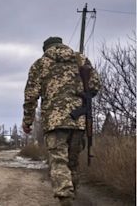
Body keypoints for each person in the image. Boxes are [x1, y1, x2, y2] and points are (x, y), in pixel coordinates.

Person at [22, 37, 100, 206]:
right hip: (78, 120)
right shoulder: (81, 59)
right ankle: (73, 195)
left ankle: (65, 198)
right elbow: (94, 86)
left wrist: (27, 121)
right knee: (72, 162)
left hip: (54, 122)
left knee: (59, 161)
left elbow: (31, 96)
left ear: (46, 49)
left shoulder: (40, 64)